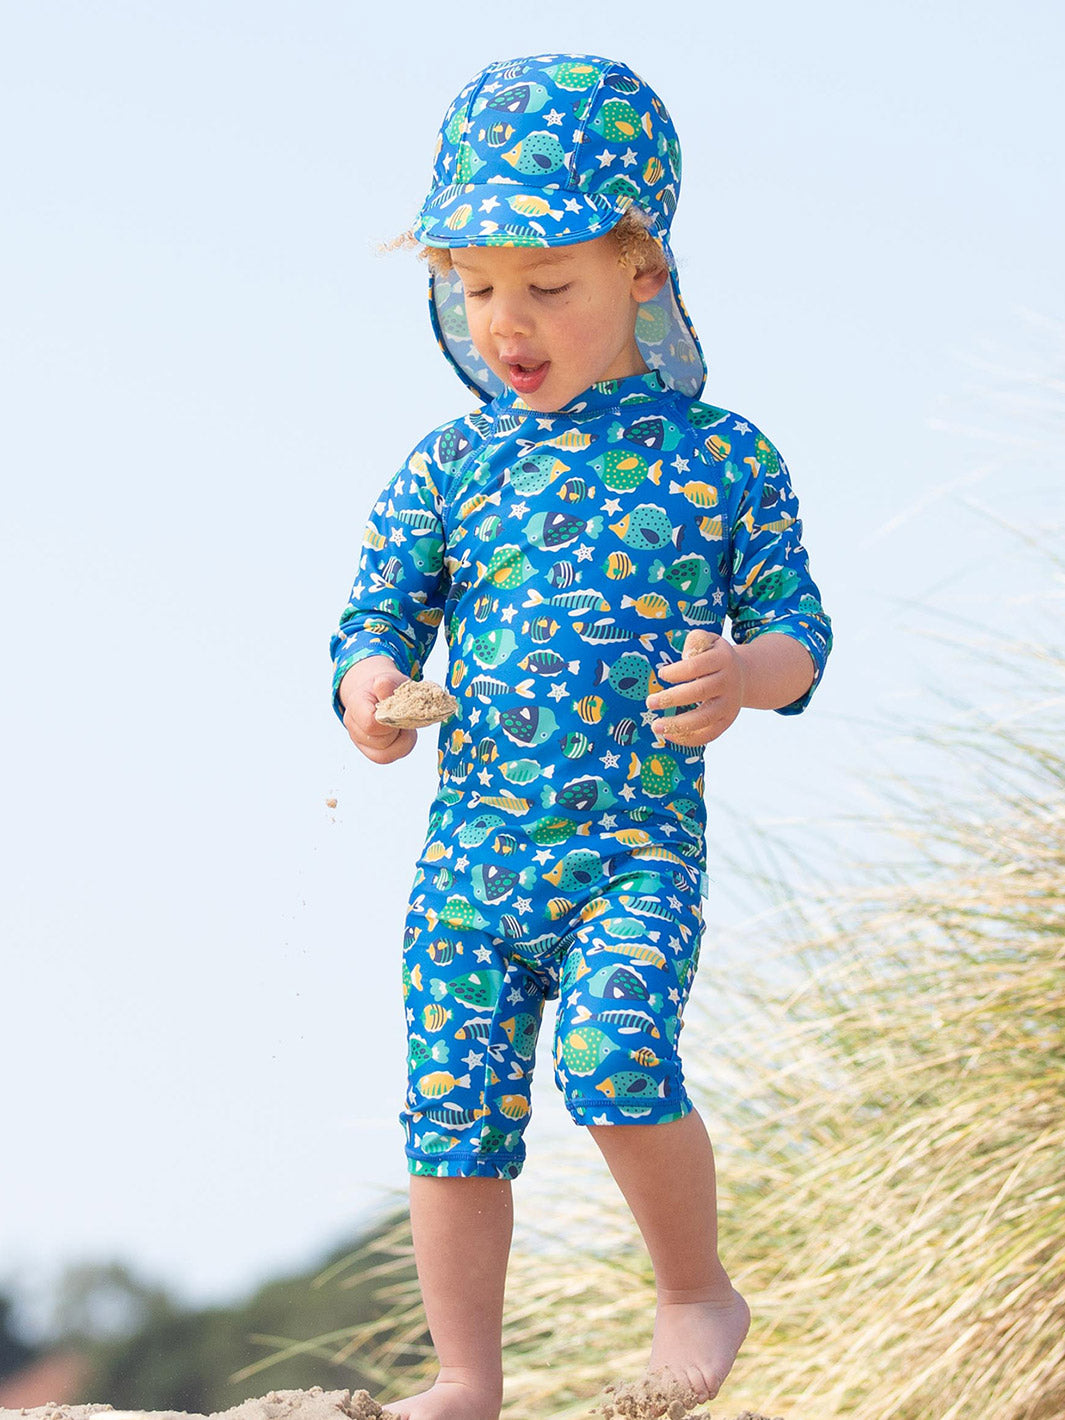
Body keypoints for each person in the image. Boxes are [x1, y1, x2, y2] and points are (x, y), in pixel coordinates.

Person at [330, 52, 833, 1420]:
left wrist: (745, 674)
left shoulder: (722, 457)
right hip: (473, 854)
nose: (508, 321)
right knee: (451, 1111)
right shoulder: (451, 464)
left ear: (642, 271)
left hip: (631, 847)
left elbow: (799, 636)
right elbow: (374, 619)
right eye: (476, 286)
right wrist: (371, 695)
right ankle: (464, 1379)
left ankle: (693, 1292)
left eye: (548, 284)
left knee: (615, 1064)